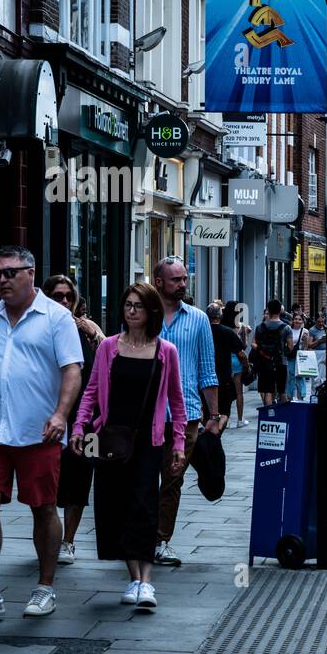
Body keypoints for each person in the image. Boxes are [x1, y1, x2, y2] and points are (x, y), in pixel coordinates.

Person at [0, 246, 83, 620]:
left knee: (42, 508)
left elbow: (72, 370)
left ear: (30, 273)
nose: (2, 280)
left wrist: (61, 415)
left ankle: (45, 588)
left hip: (38, 431)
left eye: (10, 273)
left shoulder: (57, 318)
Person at [74, 282, 187, 610]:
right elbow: (91, 391)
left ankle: (146, 582)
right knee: (116, 507)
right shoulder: (109, 347)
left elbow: (177, 404)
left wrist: (178, 444)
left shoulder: (166, 351)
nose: (132, 311)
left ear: (151, 310)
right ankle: (133, 577)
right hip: (109, 439)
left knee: (144, 505)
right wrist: (80, 428)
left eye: (138, 306)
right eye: (127, 305)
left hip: (149, 442)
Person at [152, 257, 221, 567]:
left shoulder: (198, 320)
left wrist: (214, 417)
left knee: (172, 480)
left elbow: (208, 370)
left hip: (187, 415)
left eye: (184, 278)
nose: (182, 284)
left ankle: (160, 540)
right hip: (146, 415)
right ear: (159, 283)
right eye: (175, 279)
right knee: (141, 479)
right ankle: (139, 536)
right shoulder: (143, 316)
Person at [42, 275, 105, 565]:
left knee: (81, 479)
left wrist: (94, 335)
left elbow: (109, 363)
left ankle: (68, 541)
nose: (64, 302)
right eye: (57, 296)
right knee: (48, 482)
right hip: (48, 419)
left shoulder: (87, 330)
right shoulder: (40, 329)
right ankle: (49, 536)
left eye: (69, 296)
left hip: (87, 422)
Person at [207, 304, 248, 424]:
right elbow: (241, 353)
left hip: (206, 374)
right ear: (220, 316)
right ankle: (217, 432)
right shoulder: (227, 332)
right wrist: (246, 366)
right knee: (225, 411)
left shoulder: (203, 330)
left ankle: (211, 430)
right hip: (224, 375)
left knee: (207, 410)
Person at [253, 300, 293, 406]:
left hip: (264, 363)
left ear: (268, 311)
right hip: (281, 362)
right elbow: (290, 347)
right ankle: (284, 417)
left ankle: (269, 416)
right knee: (282, 391)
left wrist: (262, 350)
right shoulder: (286, 328)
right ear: (280, 311)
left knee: (268, 391)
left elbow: (254, 344)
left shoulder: (259, 327)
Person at [222, 301, 252, 427]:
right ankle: (240, 420)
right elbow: (244, 346)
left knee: (225, 391)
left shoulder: (222, 326)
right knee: (239, 392)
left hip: (225, 360)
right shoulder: (241, 327)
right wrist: (246, 334)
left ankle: (225, 419)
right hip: (238, 360)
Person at [287, 311, 311, 401]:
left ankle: (301, 397)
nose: (297, 321)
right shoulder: (288, 329)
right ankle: (289, 396)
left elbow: (306, 348)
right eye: (295, 319)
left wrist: (305, 340)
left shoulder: (305, 331)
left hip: (300, 357)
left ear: (302, 321)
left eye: (299, 319)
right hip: (290, 356)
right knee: (290, 377)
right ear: (292, 320)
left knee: (300, 377)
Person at [308, 310, 327, 388]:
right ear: (315, 321)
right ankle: (314, 395)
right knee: (316, 377)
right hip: (316, 354)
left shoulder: (326, 328)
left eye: (322, 321)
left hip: (325, 354)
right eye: (319, 322)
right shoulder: (312, 330)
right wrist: (319, 341)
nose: (321, 324)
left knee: (324, 376)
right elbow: (309, 345)